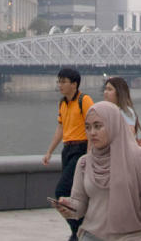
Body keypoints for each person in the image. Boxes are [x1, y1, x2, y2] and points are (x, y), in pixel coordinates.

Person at [53, 100, 141, 241]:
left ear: (114, 125)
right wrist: (68, 207)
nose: (92, 133)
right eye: (88, 127)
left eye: (98, 126)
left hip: (132, 236)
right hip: (91, 235)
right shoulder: (84, 163)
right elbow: (79, 205)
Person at [43, 67, 94, 241]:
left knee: (61, 191)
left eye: (64, 81)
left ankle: (79, 230)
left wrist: (89, 156)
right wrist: (49, 151)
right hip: (68, 150)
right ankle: (78, 230)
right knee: (73, 195)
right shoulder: (62, 103)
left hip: (81, 150)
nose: (60, 85)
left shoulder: (84, 100)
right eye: (59, 81)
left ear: (74, 84)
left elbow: (92, 129)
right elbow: (60, 128)